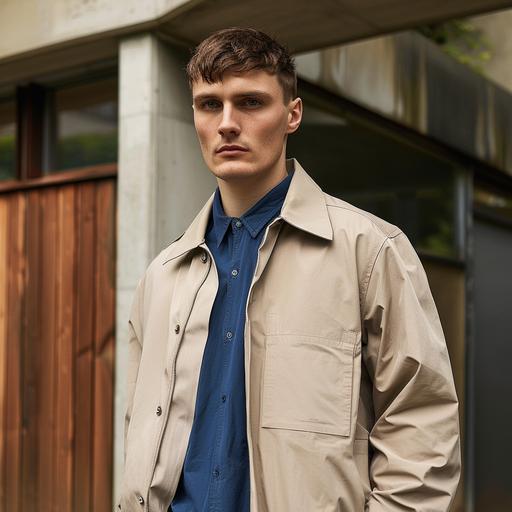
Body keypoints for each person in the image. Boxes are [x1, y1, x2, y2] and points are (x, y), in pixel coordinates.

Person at [117, 27, 461, 512]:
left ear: (292, 114)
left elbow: (421, 422)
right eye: (210, 104)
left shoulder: (370, 251)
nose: (227, 124)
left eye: (251, 102)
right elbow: (143, 426)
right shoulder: (163, 274)